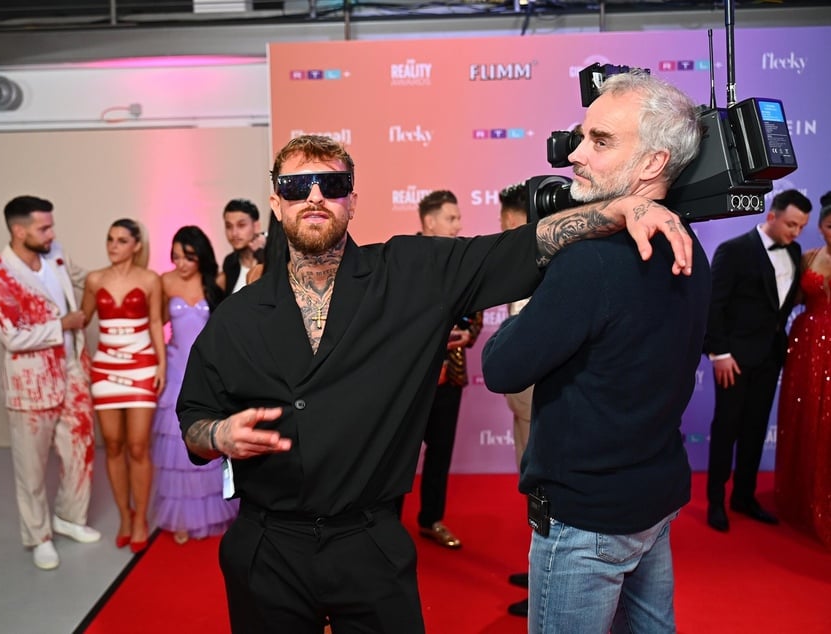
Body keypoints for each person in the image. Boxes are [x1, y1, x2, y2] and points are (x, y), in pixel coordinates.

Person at [177, 133, 695, 633]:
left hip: (369, 544)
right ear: (277, 200)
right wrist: (219, 436)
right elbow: (193, 422)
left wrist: (619, 208)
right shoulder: (235, 318)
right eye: (296, 187)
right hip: (267, 547)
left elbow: (521, 246)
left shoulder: (412, 272)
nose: (315, 197)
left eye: (332, 186)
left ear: (352, 200)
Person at [482, 70, 709, 633]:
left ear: (654, 163)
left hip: (587, 519)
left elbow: (501, 367)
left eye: (601, 141)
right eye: (581, 136)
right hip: (652, 500)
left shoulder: (591, 263)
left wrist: (542, 275)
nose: (576, 154)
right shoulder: (689, 243)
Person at [0, 195, 100, 571]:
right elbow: (11, 337)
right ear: (19, 230)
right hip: (30, 386)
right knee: (31, 468)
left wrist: (120, 274)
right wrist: (61, 325)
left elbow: (84, 279)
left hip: (72, 374)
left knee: (81, 453)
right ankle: (39, 535)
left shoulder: (55, 253)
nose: (52, 233)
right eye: (44, 227)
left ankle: (69, 517)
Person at [705, 189, 812, 532]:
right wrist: (719, 353)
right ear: (771, 216)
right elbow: (713, 306)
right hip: (733, 359)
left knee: (754, 429)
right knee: (726, 430)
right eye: (791, 225)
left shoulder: (794, 251)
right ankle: (716, 501)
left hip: (770, 357)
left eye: (801, 226)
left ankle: (744, 496)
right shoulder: (733, 250)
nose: (796, 233)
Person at [81, 218, 166, 553]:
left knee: (137, 446)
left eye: (120, 240)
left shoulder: (149, 280)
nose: (112, 246)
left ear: (136, 245)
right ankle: (125, 517)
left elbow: (157, 322)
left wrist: (161, 365)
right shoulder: (94, 279)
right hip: (105, 366)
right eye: (109, 239)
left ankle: (141, 517)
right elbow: (82, 319)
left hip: (141, 365)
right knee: (113, 445)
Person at [151, 225, 239, 544]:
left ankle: (216, 509)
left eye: (187, 257)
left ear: (200, 256)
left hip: (205, 368)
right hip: (175, 367)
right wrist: (159, 364)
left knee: (207, 438)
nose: (180, 264)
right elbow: (155, 323)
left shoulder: (216, 281)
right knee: (176, 446)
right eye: (175, 257)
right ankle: (183, 519)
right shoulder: (165, 281)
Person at [406, 189, 482, 550]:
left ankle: (431, 520)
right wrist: (431, 338)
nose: (459, 225)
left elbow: (476, 312)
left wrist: (468, 333)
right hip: (409, 381)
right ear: (429, 221)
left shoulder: (463, 261)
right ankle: (385, 525)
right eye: (451, 218)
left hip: (449, 377)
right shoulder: (403, 260)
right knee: (398, 455)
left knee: (439, 454)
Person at [775, 192, 831, 548]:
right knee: (803, 413)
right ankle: (800, 493)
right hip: (805, 340)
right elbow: (793, 298)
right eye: (829, 225)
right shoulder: (809, 255)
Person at [497, 181, 533, 617]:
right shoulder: (517, 261)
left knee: (542, 490)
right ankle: (539, 564)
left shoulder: (552, 265)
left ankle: (548, 576)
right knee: (531, 488)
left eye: (510, 223)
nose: (504, 230)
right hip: (522, 400)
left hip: (540, 397)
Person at [217, 198, 267, 295]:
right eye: (229, 226)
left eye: (241, 225)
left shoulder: (272, 258)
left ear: (256, 226)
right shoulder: (230, 262)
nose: (234, 233)